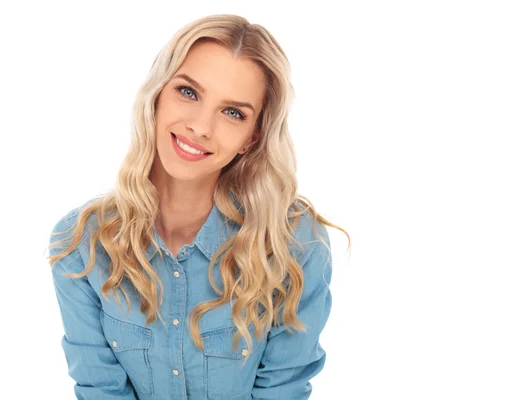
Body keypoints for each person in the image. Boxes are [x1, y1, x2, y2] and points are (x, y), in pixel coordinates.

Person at [47, 13, 350, 400]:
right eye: (188, 92)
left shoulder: (295, 243)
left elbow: (283, 390)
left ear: (251, 138)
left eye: (233, 112)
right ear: (157, 94)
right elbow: (99, 389)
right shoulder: (81, 245)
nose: (201, 126)